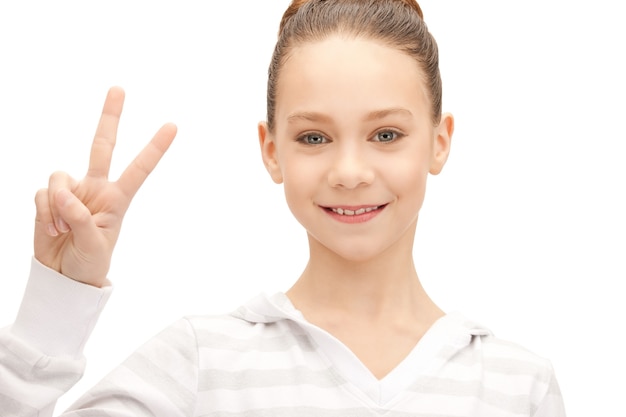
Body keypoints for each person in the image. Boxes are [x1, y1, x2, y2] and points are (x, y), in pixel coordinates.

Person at [0, 0, 566, 415]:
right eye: (314, 138)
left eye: (387, 134)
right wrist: (58, 297)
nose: (349, 172)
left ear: (439, 141)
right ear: (272, 152)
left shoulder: (518, 385)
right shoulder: (202, 362)